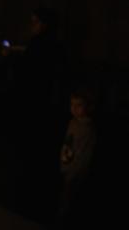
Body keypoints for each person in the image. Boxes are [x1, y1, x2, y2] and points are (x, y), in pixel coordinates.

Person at [56, 88, 96, 227]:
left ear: (88, 107)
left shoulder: (88, 129)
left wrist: (76, 171)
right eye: (72, 104)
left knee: (70, 201)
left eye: (78, 105)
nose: (73, 108)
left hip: (76, 171)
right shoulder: (73, 123)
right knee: (64, 196)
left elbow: (84, 154)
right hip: (67, 166)